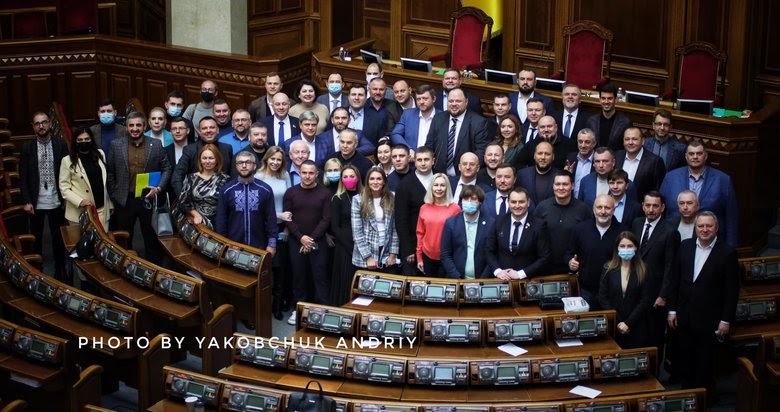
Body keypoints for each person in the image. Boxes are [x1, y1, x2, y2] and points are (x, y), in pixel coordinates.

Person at [667, 212, 739, 396]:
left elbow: (732, 291)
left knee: (705, 363)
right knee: (686, 359)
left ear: (716, 228)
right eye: (701, 226)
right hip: (684, 316)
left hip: (710, 319)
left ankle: (705, 399)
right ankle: (686, 397)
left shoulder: (727, 252)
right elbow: (675, 280)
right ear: (696, 228)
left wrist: (726, 320)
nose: (704, 230)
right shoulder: (685, 246)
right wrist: (672, 310)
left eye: (709, 226)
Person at [106, 112, 171, 264]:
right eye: (131, 125)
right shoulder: (116, 145)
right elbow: (110, 172)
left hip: (146, 198)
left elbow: (167, 168)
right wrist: (114, 194)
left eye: (138, 125)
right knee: (124, 238)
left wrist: (159, 188)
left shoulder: (155, 144)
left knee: (150, 239)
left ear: (144, 126)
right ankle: (126, 268)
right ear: (126, 127)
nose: (135, 128)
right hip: (124, 199)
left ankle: (153, 270)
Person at [659, 140, 738, 246]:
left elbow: (731, 217)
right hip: (674, 239)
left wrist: (730, 247)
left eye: (699, 153)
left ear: (705, 156)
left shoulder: (723, 180)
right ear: (686, 156)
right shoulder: (671, 177)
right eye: (691, 154)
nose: (695, 157)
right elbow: (660, 209)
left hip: (710, 242)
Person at [632, 191, 680, 362]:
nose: (651, 209)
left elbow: (670, 267)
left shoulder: (670, 231)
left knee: (654, 337)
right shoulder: (636, 224)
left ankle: (655, 376)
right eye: (648, 205)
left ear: (662, 208)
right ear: (643, 206)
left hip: (655, 294)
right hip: (636, 290)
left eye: (655, 206)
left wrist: (663, 295)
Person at [21, 111, 68, 279]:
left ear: (50, 124)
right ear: (33, 127)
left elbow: (67, 172)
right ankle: (37, 271)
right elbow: (24, 176)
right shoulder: (27, 148)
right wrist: (27, 200)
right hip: (36, 202)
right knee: (37, 238)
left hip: (56, 200)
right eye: (37, 123)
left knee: (58, 239)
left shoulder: (60, 144)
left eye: (44, 122)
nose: (41, 126)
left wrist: (66, 198)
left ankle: (60, 269)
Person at [284, 160, 331, 320]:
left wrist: (311, 240)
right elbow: (288, 218)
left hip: (318, 241)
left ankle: (322, 310)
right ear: (299, 173)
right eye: (304, 173)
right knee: (298, 276)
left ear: (317, 174)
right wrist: (301, 238)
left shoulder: (325, 193)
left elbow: (326, 219)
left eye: (311, 173)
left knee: (320, 276)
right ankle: (299, 310)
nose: (308, 176)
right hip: (296, 241)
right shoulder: (291, 192)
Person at [566, 194, 626, 308]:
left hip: (613, 291)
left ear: (613, 210)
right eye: (599, 207)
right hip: (586, 291)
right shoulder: (580, 229)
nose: (603, 211)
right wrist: (570, 262)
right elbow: (568, 253)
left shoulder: (623, 232)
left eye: (607, 208)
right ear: (594, 209)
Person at [255, 146, 293, 320]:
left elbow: (289, 203)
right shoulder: (258, 177)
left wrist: (286, 226)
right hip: (263, 228)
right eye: (273, 159)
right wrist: (277, 215)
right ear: (266, 159)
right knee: (264, 270)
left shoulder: (284, 176)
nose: (276, 162)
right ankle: (260, 307)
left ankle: (276, 306)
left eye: (279, 159)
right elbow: (257, 209)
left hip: (281, 228)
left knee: (281, 270)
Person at [598, 231, 654, 349]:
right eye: (622, 246)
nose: (626, 249)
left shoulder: (644, 269)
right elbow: (603, 297)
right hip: (614, 326)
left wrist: (628, 323)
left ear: (636, 248)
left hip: (636, 325)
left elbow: (645, 300)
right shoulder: (608, 268)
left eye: (629, 246)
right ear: (617, 248)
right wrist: (618, 322)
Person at [533, 171, 592, 274]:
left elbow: (588, 240)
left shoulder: (583, 210)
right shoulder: (542, 207)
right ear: (553, 186)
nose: (561, 188)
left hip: (573, 268)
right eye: (557, 184)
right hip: (545, 268)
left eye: (565, 184)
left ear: (572, 186)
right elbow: (533, 236)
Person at [485, 187, 551, 279]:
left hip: (528, 280)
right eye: (513, 202)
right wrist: (498, 271)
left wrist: (521, 274)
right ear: (508, 203)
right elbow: (489, 250)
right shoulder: (499, 221)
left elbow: (545, 257)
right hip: (502, 279)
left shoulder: (539, 225)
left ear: (528, 203)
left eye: (521, 202)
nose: (517, 205)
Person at [426, 87, 490, 176]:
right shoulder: (438, 118)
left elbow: (481, 151)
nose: (454, 104)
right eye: (451, 101)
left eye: (458, 101)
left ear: (466, 102)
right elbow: (429, 145)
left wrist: (469, 170)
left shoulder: (478, 122)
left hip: (465, 176)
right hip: (438, 175)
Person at [59, 127, 112, 228]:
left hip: (101, 210)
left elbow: (104, 183)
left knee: (103, 242)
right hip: (80, 212)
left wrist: (109, 204)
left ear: (91, 139)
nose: (84, 142)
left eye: (87, 139)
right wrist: (80, 201)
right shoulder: (67, 160)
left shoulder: (100, 154)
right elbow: (64, 188)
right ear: (75, 141)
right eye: (80, 140)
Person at [394, 147, 435, 275]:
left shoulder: (441, 179)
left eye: (426, 159)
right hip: (413, 243)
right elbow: (401, 219)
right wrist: (407, 249)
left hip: (438, 243)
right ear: (414, 161)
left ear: (433, 161)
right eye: (419, 160)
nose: (423, 163)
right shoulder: (405, 184)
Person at [351, 167, 400, 274]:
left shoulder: (393, 197)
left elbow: (395, 228)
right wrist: (368, 257)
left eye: (379, 179)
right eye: (372, 179)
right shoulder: (358, 199)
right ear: (367, 181)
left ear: (384, 182)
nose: (375, 182)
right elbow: (357, 232)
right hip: (365, 253)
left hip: (387, 252)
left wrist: (393, 254)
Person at [170, 116, 233, 197]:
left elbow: (232, 176)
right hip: (196, 202)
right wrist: (185, 201)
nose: (208, 130)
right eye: (204, 128)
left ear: (218, 130)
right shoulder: (190, 150)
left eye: (212, 127)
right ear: (199, 132)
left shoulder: (227, 149)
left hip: (223, 200)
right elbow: (177, 177)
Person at [441, 185, 494, 279]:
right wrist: (457, 278)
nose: (469, 202)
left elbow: (493, 254)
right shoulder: (451, 223)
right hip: (457, 279)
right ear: (461, 201)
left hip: (483, 279)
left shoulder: (491, 223)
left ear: (480, 202)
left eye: (473, 199)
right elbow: (445, 254)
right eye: (466, 198)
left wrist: (483, 279)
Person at [416, 173, 461, 276]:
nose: (439, 188)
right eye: (436, 185)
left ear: (447, 188)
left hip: (449, 258)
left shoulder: (455, 209)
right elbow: (420, 233)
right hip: (427, 256)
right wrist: (419, 257)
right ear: (431, 187)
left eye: (442, 185)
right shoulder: (424, 208)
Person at [329, 165, 362, 305]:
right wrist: (350, 247)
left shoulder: (365, 196)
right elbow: (334, 227)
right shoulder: (338, 198)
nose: (349, 179)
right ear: (341, 180)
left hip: (363, 244)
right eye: (345, 176)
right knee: (345, 280)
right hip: (344, 246)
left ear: (358, 178)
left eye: (352, 176)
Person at [177, 144, 229, 228]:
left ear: (217, 160)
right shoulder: (191, 178)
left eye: (211, 158)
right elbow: (183, 203)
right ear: (200, 160)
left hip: (220, 223)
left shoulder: (225, 179)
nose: (207, 161)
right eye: (204, 158)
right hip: (198, 223)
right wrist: (196, 215)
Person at [615, 127, 666, 201]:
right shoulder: (616, 156)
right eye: (627, 139)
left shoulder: (655, 161)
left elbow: (658, 190)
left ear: (642, 141)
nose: (630, 142)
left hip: (640, 208)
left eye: (634, 139)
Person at [390, 84, 437, 151]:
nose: (421, 102)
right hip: (411, 158)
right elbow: (395, 134)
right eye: (418, 99)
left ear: (434, 99)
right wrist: (408, 149)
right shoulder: (408, 114)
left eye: (425, 99)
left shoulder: (441, 116)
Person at [586, 83, 633, 150]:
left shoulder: (625, 122)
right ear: (599, 100)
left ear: (616, 100)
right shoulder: (591, 121)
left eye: (610, 98)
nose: (606, 101)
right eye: (603, 98)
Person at [362, 77, 403, 146]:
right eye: (375, 89)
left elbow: (399, 129)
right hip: (365, 149)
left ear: (386, 90)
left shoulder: (394, 106)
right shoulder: (362, 106)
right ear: (369, 89)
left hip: (388, 149)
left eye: (381, 89)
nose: (378, 92)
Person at [517, 141, 558, 207]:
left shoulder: (559, 176)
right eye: (540, 153)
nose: (543, 157)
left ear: (553, 157)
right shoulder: (522, 174)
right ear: (534, 155)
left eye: (547, 154)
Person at [564, 128, 597, 198]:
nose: (583, 145)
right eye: (580, 142)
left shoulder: (598, 160)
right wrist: (567, 173)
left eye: (587, 142)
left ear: (594, 144)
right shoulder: (571, 158)